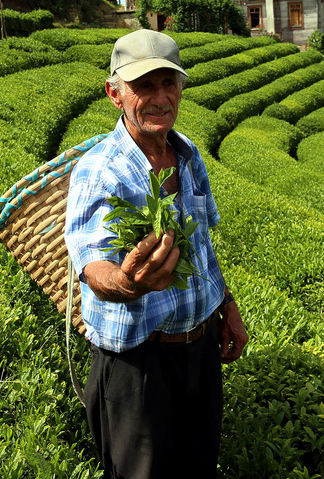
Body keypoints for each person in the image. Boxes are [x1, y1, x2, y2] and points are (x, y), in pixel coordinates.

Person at [64, 29, 249, 478]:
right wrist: (129, 283)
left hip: (199, 350)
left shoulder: (187, 155)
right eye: (143, 85)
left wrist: (226, 304)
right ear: (115, 94)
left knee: (199, 466)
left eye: (169, 83)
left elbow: (202, 242)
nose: (160, 97)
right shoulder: (100, 170)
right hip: (138, 366)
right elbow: (92, 265)